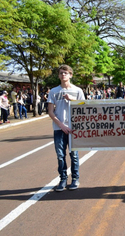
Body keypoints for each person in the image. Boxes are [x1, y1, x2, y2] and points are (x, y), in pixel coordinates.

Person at [47, 64, 85, 192]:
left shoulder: (78, 90)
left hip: (74, 128)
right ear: (58, 75)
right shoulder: (53, 91)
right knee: (60, 155)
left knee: (74, 155)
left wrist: (72, 99)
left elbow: (84, 107)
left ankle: (75, 178)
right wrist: (61, 125)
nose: (63, 75)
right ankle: (63, 179)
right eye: (61, 73)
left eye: (66, 73)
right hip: (59, 128)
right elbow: (51, 112)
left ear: (70, 75)